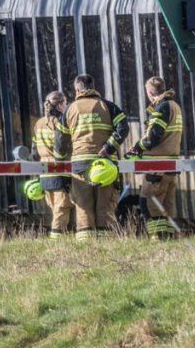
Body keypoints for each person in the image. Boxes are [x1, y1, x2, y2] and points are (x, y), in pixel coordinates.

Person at [54, 74, 129, 240]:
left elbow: (60, 141)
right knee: (105, 204)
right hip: (105, 164)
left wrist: (60, 161)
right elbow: (123, 128)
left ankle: (86, 243)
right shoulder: (108, 106)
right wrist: (108, 147)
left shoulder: (69, 110)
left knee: (83, 204)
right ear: (94, 87)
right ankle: (105, 243)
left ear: (77, 89)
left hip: (79, 164)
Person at [127, 76, 183, 239]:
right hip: (171, 166)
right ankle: (169, 238)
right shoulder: (174, 106)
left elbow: (152, 138)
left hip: (157, 167)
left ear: (150, 92)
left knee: (149, 204)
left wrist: (137, 147)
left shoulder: (162, 107)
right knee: (166, 206)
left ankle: (157, 238)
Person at [31, 91, 71, 239]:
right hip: (60, 171)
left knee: (55, 208)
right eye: (65, 103)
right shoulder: (60, 122)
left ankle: (60, 238)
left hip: (45, 173)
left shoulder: (39, 123)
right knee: (62, 208)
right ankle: (56, 241)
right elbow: (65, 146)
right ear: (60, 104)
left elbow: (34, 152)